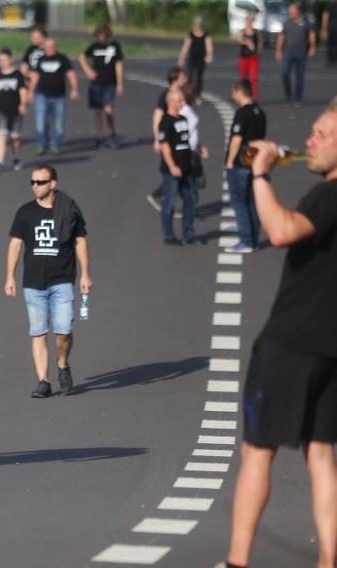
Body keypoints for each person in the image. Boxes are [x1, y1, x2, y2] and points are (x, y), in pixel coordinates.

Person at [217, 96, 337, 568]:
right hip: (330, 348)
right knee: (322, 456)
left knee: (258, 452)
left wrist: (261, 175)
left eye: (323, 136)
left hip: (290, 342)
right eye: (312, 132)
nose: (310, 141)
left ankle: (236, 561)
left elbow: (283, 229)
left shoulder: (328, 195)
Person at [5, 165, 92, 398]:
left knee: (63, 331)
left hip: (62, 280)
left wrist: (85, 274)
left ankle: (63, 363)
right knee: (38, 332)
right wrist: (9, 276)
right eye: (32, 182)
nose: (35, 186)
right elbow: (15, 244)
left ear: (52, 183)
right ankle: (43, 381)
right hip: (33, 283)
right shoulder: (25, 212)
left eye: (40, 182)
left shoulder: (68, 209)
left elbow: (80, 242)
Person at [224, 79, 267, 253]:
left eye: (234, 92)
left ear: (240, 91)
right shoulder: (260, 112)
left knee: (238, 202)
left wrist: (229, 161)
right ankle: (254, 239)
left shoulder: (242, 114)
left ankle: (246, 240)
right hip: (254, 161)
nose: (233, 96)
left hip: (240, 162)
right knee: (252, 202)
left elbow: (236, 139)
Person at [158, 89, 204, 247]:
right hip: (172, 170)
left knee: (190, 201)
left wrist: (199, 147)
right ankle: (169, 235)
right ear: (170, 102)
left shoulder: (183, 119)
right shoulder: (165, 122)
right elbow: (164, 146)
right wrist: (172, 166)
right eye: (179, 101)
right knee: (169, 203)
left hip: (186, 168)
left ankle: (188, 233)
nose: (183, 103)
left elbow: (187, 140)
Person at [29, 38, 79, 156]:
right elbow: (35, 76)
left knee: (59, 124)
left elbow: (71, 74)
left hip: (59, 97)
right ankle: (42, 143)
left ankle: (55, 144)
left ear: (56, 47)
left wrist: (74, 89)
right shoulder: (41, 59)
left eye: (52, 46)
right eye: (48, 46)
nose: (50, 49)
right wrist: (30, 91)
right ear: (44, 48)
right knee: (41, 122)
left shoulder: (62, 59)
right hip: (42, 95)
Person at [147, 67, 188, 212]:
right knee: (171, 172)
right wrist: (158, 139)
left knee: (177, 171)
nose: (186, 78)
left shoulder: (179, 95)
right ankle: (161, 197)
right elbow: (157, 116)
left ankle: (165, 198)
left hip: (178, 140)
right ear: (175, 79)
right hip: (168, 140)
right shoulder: (166, 96)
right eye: (183, 76)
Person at [78, 23, 124, 149]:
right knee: (97, 111)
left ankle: (112, 133)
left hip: (110, 83)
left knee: (108, 109)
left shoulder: (114, 46)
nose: (101, 38)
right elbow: (82, 57)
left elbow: (118, 65)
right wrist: (88, 71)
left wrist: (120, 83)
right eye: (99, 35)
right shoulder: (94, 46)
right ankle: (100, 137)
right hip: (96, 83)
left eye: (103, 35)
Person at [0, 48, 27, 173]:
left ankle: (16, 158)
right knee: (1, 135)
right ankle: (0, 162)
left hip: (16, 110)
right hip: (1, 111)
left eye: (5, 59)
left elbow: (23, 90)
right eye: (0, 60)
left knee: (15, 137)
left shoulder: (17, 75)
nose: (3, 62)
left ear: (11, 59)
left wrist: (22, 104)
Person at [276, 1, 316, 105]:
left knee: (299, 76)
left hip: (301, 52)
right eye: (290, 10)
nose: (291, 12)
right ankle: (288, 95)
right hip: (288, 51)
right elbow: (281, 36)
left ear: (298, 11)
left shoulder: (305, 22)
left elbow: (311, 34)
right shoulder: (287, 23)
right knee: (285, 73)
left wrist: (312, 46)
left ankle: (298, 98)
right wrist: (278, 50)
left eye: (293, 10)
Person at [177, 16, 213, 97]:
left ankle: (198, 95)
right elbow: (185, 47)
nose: (197, 26)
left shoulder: (206, 35)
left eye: (199, 24)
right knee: (189, 77)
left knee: (199, 78)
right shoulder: (190, 35)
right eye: (196, 24)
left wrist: (209, 55)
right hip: (192, 59)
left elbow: (209, 46)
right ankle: (188, 95)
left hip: (201, 59)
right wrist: (181, 59)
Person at [238, 12, 263, 100]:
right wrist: (246, 42)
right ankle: (244, 94)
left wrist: (257, 51)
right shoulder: (242, 31)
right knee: (244, 77)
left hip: (253, 57)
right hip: (244, 57)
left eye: (251, 20)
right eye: (248, 20)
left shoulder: (256, 32)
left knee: (253, 78)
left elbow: (260, 44)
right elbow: (239, 40)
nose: (250, 22)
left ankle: (253, 96)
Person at [323, 0, 337, 68]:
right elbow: (325, 16)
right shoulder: (330, 6)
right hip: (331, 29)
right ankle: (330, 60)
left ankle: (332, 61)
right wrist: (324, 29)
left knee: (333, 45)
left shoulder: (330, 6)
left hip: (332, 28)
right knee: (330, 45)